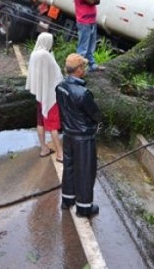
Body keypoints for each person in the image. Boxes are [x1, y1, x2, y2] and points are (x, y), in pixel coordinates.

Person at [56, 53, 101, 218]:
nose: (86, 69)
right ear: (79, 70)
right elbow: (95, 114)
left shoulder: (60, 87)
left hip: (68, 135)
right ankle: (84, 207)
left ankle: (67, 200)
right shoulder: (83, 93)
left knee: (69, 167)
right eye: (84, 66)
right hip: (83, 138)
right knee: (85, 171)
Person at [25, 32, 63, 162]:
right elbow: (57, 74)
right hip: (49, 96)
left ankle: (44, 148)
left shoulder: (34, 53)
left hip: (40, 95)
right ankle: (60, 154)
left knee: (40, 122)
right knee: (52, 125)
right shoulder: (46, 55)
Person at [73, 0, 103, 72]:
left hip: (92, 21)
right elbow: (91, 1)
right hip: (84, 22)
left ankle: (92, 65)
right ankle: (77, 69)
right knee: (83, 48)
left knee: (91, 46)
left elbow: (98, 0)